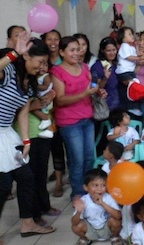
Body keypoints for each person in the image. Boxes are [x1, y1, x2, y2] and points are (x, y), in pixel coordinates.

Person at [0, 35, 55, 238]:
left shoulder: (27, 82)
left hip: (7, 135)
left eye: (45, 63)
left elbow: (22, 112)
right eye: (40, 62)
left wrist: (26, 140)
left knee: (26, 177)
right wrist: (13, 54)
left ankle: (28, 223)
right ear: (26, 56)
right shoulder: (8, 71)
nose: (42, 67)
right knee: (2, 186)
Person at [51, 36, 104, 199]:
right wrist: (84, 94)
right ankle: (78, 193)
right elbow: (59, 99)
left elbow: (91, 89)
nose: (76, 53)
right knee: (77, 159)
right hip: (69, 122)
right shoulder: (57, 71)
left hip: (87, 118)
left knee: (89, 157)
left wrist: (98, 92)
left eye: (78, 49)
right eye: (72, 50)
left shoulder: (85, 67)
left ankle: (89, 191)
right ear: (62, 52)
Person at [41, 30, 65, 196]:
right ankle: (56, 178)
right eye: (49, 39)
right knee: (51, 147)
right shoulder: (41, 59)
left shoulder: (64, 61)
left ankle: (59, 182)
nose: (53, 42)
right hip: (44, 110)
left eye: (56, 39)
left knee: (61, 147)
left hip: (62, 108)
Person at [71, 169, 122, 245]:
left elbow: (118, 216)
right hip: (90, 229)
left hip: (106, 228)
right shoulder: (83, 200)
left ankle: (114, 237)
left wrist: (102, 204)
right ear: (86, 188)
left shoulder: (108, 197)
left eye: (103, 185)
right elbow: (74, 222)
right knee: (76, 227)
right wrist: (79, 211)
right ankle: (84, 239)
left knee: (117, 222)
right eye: (95, 185)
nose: (99, 189)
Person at [91, 37, 119, 111]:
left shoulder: (118, 64)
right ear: (102, 51)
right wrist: (105, 78)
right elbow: (93, 85)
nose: (112, 53)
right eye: (108, 50)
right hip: (106, 107)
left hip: (120, 105)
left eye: (114, 50)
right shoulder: (97, 66)